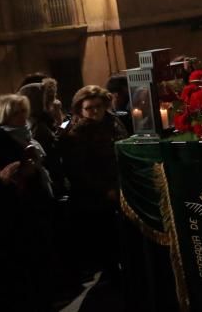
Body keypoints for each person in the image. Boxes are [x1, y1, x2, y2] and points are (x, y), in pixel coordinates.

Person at [60, 85, 129, 279]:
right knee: (105, 237)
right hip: (95, 195)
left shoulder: (113, 122)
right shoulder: (76, 134)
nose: (95, 111)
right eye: (89, 108)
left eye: (98, 106)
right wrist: (104, 189)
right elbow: (78, 170)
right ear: (81, 110)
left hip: (120, 185)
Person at [0, 94, 55, 311]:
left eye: (24, 111)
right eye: (16, 112)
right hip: (14, 211)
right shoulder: (4, 138)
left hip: (33, 204)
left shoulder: (25, 134)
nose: (22, 116)